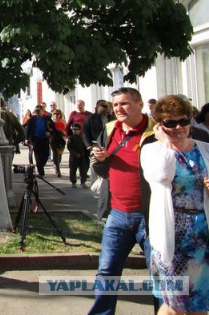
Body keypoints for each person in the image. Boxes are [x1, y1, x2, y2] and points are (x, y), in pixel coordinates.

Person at [88, 87, 157, 315]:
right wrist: (98, 160)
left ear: (140, 105)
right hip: (117, 214)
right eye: (115, 104)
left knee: (159, 274)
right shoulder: (109, 129)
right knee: (107, 272)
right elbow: (101, 168)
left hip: (150, 216)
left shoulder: (157, 131)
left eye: (125, 103)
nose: (118, 109)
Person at [141, 95, 209, 314]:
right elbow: (162, 175)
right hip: (172, 235)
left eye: (184, 121)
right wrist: (166, 144)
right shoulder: (152, 150)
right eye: (171, 123)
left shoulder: (205, 149)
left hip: (203, 234)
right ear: (160, 125)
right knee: (174, 306)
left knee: (200, 303)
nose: (179, 127)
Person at [24, 105, 54, 177]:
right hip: (36, 139)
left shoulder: (47, 118)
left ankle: (41, 166)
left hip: (45, 139)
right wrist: (26, 138)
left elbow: (53, 127)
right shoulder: (32, 119)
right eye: (36, 111)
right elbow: (28, 129)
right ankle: (41, 172)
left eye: (38, 111)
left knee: (46, 155)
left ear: (42, 111)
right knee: (38, 155)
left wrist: (49, 133)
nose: (37, 112)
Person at [67, 123, 88, 188]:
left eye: (76, 129)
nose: (74, 131)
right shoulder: (71, 138)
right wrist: (75, 154)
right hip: (74, 157)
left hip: (82, 156)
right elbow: (69, 147)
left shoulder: (82, 137)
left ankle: (83, 182)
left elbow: (86, 146)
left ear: (79, 130)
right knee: (73, 170)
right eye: (73, 129)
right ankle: (73, 182)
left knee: (83, 170)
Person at [49, 109, 67, 177]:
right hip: (53, 139)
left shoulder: (63, 121)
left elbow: (65, 130)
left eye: (58, 114)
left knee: (60, 154)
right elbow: (49, 129)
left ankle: (57, 164)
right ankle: (57, 169)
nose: (56, 115)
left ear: (60, 115)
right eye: (55, 114)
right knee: (55, 153)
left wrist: (64, 132)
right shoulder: (51, 121)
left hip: (61, 140)